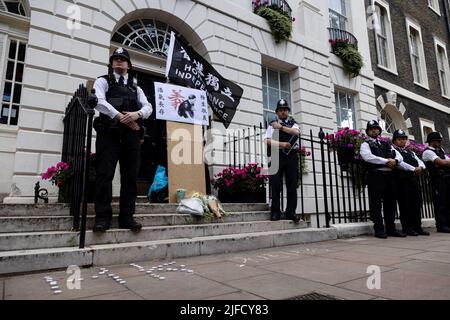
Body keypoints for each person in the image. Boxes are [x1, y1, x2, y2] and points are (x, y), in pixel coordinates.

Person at [92, 47, 153, 232]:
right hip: (108, 135)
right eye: (115, 58)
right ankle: (102, 218)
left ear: (128, 65)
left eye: (122, 59)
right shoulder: (103, 81)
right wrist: (119, 116)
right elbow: (99, 102)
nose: (118, 61)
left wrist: (136, 114)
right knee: (104, 175)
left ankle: (127, 217)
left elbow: (148, 107)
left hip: (131, 137)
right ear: (111, 63)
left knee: (130, 177)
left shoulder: (136, 87)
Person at [360, 120, 405, 238]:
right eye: (371, 129)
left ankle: (391, 229)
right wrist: (386, 161)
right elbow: (368, 157)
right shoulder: (365, 144)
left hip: (390, 177)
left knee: (390, 203)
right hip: (376, 176)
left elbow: (399, 156)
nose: (374, 130)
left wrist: (395, 161)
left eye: (376, 128)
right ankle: (379, 229)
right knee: (376, 204)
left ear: (379, 131)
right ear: (368, 131)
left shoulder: (386, 144)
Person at [264, 99, 301, 222]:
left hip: (291, 157)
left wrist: (281, 127)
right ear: (277, 112)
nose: (283, 112)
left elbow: (296, 132)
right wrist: (282, 144)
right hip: (276, 155)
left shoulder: (293, 123)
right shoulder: (271, 124)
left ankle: (291, 212)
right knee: (275, 184)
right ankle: (275, 212)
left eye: (285, 109)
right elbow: (267, 140)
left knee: (292, 184)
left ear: (288, 111)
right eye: (280, 110)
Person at [392, 129, 429, 236]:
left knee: (417, 204)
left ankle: (418, 227)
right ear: (394, 141)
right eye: (399, 139)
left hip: (414, 180)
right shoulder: (394, 151)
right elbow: (400, 164)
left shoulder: (410, 152)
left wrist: (420, 167)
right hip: (402, 180)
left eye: (403, 139)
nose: (402, 141)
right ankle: (407, 228)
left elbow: (421, 161)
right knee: (405, 204)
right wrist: (414, 169)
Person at [422, 131, 450, 233]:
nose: (439, 142)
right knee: (440, 202)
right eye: (437, 141)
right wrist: (443, 163)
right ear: (431, 141)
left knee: (447, 201)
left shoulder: (441, 151)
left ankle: (447, 223)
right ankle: (441, 225)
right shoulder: (428, 152)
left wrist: (443, 163)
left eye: (439, 140)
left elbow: (444, 162)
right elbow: (441, 162)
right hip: (437, 179)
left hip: (446, 178)